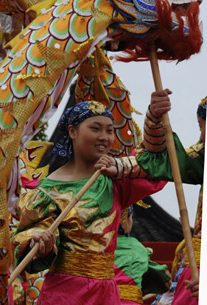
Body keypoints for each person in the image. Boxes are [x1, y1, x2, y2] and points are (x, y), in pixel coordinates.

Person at [12, 100, 166, 305]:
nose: (104, 137)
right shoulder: (47, 190)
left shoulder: (115, 180)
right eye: (95, 128)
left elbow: (154, 166)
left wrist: (154, 119)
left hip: (106, 294)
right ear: (72, 131)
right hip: (66, 293)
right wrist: (38, 241)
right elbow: (27, 236)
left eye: (110, 130)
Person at [136, 91, 206, 304]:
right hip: (195, 279)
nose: (202, 136)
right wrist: (155, 120)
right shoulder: (203, 157)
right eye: (200, 126)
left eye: (205, 126)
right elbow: (162, 160)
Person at [114, 206, 171, 305]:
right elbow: (159, 273)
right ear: (125, 222)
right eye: (131, 217)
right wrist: (167, 281)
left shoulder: (98, 244)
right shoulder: (134, 246)